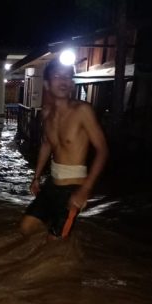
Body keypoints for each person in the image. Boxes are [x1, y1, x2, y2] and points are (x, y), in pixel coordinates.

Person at [19, 58, 109, 239]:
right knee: (26, 228)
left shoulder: (82, 110)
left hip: (73, 187)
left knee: (57, 245)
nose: (63, 80)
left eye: (68, 76)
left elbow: (102, 150)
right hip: (52, 183)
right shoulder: (46, 113)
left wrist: (85, 190)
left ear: (72, 83)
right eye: (57, 76)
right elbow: (46, 144)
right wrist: (36, 177)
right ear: (46, 83)